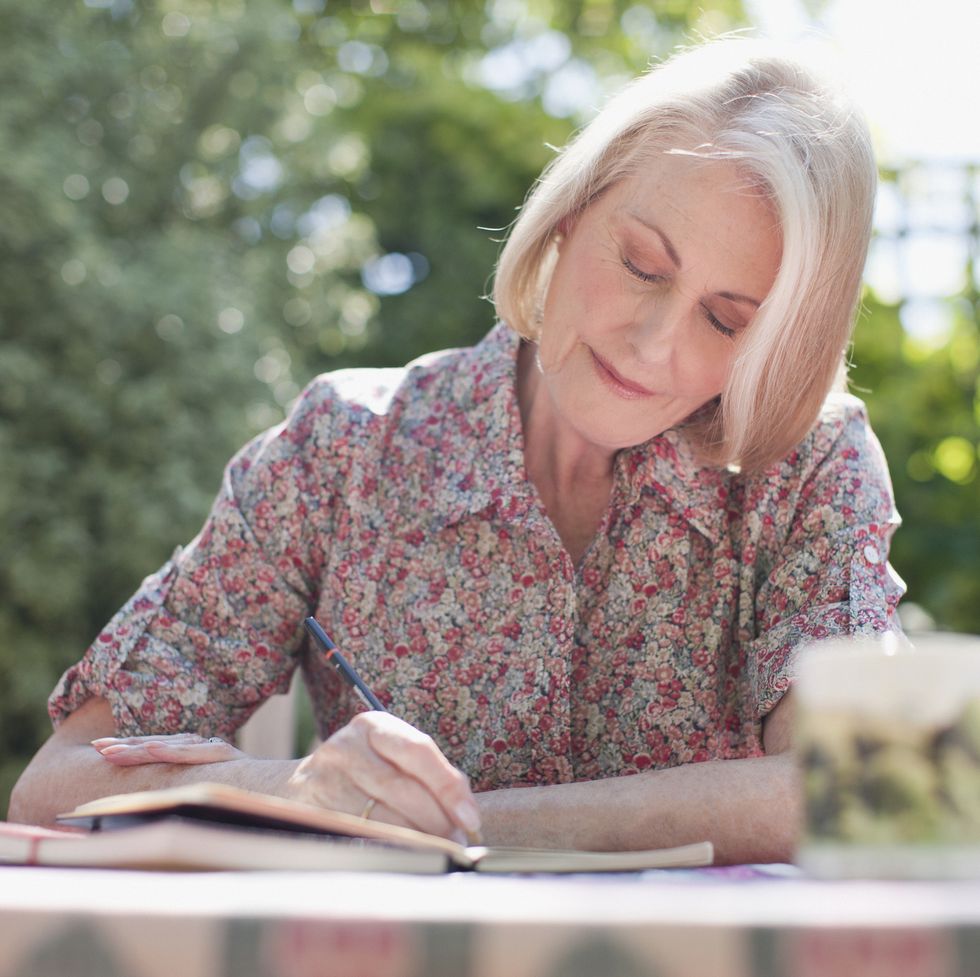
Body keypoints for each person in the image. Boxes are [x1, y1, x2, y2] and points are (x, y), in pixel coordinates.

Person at [10, 37, 905, 863]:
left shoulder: (810, 469)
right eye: (641, 264)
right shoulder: (344, 449)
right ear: (569, 214)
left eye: (726, 320)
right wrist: (292, 790)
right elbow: (56, 786)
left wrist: (453, 824)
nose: (654, 343)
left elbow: (854, 788)